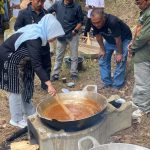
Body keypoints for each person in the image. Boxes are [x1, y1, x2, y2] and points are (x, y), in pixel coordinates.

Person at [0, 14, 64, 128]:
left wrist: (47, 79)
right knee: (15, 88)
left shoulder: (41, 36)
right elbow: (37, 64)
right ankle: (16, 119)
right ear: (49, 29)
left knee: (27, 84)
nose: (54, 38)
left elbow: (43, 61)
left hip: (24, 60)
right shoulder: (34, 37)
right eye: (54, 34)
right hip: (10, 59)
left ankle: (29, 112)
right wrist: (49, 84)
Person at [91, 8, 132, 89]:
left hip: (123, 39)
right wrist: (102, 49)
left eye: (98, 22)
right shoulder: (93, 21)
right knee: (103, 58)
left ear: (104, 18)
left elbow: (118, 39)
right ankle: (107, 82)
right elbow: (98, 36)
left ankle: (117, 84)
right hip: (110, 39)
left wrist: (119, 53)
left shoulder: (112, 21)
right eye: (94, 23)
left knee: (120, 60)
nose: (97, 25)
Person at [14, 0, 50, 90]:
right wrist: (29, 33)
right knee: (29, 68)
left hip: (44, 46)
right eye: (38, 1)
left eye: (42, 2)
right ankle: (28, 87)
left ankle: (45, 86)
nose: (40, 4)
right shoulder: (23, 13)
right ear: (32, 0)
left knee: (46, 66)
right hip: (29, 47)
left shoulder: (46, 13)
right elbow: (17, 28)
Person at [48, 0, 84, 81]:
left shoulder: (77, 6)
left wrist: (75, 30)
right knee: (58, 56)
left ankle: (74, 73)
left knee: (74, 56)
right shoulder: (57, 4)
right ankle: (55, 74)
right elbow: (47, 12)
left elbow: (81, 21)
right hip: (60, 34)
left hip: (72, 34)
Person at [129, 0, 150, 118]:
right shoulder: (145, 11)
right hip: (142, 50)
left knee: (142, 82)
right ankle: (138, 103)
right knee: (142, 80)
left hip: (143, 53)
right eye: (136, 3)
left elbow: (145, 36)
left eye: (140, 2)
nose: (138, 5)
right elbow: (140, 32)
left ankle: (142, 108)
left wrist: (133, 47)